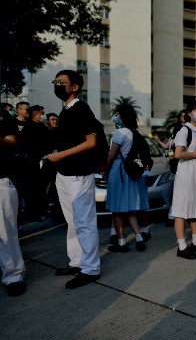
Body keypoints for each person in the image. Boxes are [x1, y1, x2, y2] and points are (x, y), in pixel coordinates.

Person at [43, 69, 102, 289]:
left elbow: (90, 143)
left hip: (79, 173)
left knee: (84, 222)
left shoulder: (80, 108)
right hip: (64, 173)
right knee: (72, 221)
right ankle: (77, 262)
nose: (57, 85)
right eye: (55, 82)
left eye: (62, 82)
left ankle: (91, 269)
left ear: (75, 87)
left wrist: (59, 155)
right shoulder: (66, 110)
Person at [106, 104, 150, 253]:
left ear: (122, 116)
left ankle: (121, 242)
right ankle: (138, 238)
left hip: (119, 171)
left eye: (117, 115)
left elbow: (111, 156)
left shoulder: (119, 133)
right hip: (130, 173)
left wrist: (104, 169)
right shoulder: (134, 133)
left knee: (117, 209)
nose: (115, 118)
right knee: (130, 208)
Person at [171, 100, 196, 259]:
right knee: (181, 210)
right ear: (189, 114)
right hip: (187, 173)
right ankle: (181, 246)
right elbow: (178, 154)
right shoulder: (184, 131)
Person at [0, 107, 27, 296]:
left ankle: (13, 276)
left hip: (0, 180)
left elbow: (13, 144)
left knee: (6, 233)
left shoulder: (3, 116)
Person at [22, 105, 50, 221]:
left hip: (43, 161)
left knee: (41, 188)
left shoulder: (42, 127)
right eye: (41, 113)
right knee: (32, 189)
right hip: (32, 163)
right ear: (35, 114)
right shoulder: (28, 128)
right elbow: (27, 146)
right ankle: (33, 213)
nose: (43, 116)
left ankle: (40, 211)